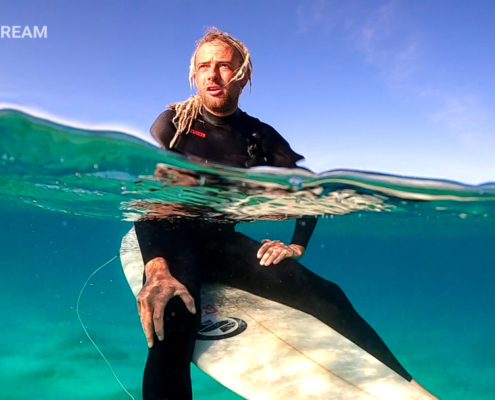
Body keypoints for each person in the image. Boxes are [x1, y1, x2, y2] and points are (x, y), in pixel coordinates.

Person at [134, 27, 437, 400]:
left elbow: (309, 191)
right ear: (194, 74)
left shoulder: (261, 136)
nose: (212, 75)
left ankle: (406, 387)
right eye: (203, 67)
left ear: (243, 75)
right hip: (171, 236)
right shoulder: (174, 124)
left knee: (327, 294)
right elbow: (150, 200)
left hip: (222, 241)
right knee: (174, 318)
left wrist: (296, 246)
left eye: (224, 66)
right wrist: (157, 268)